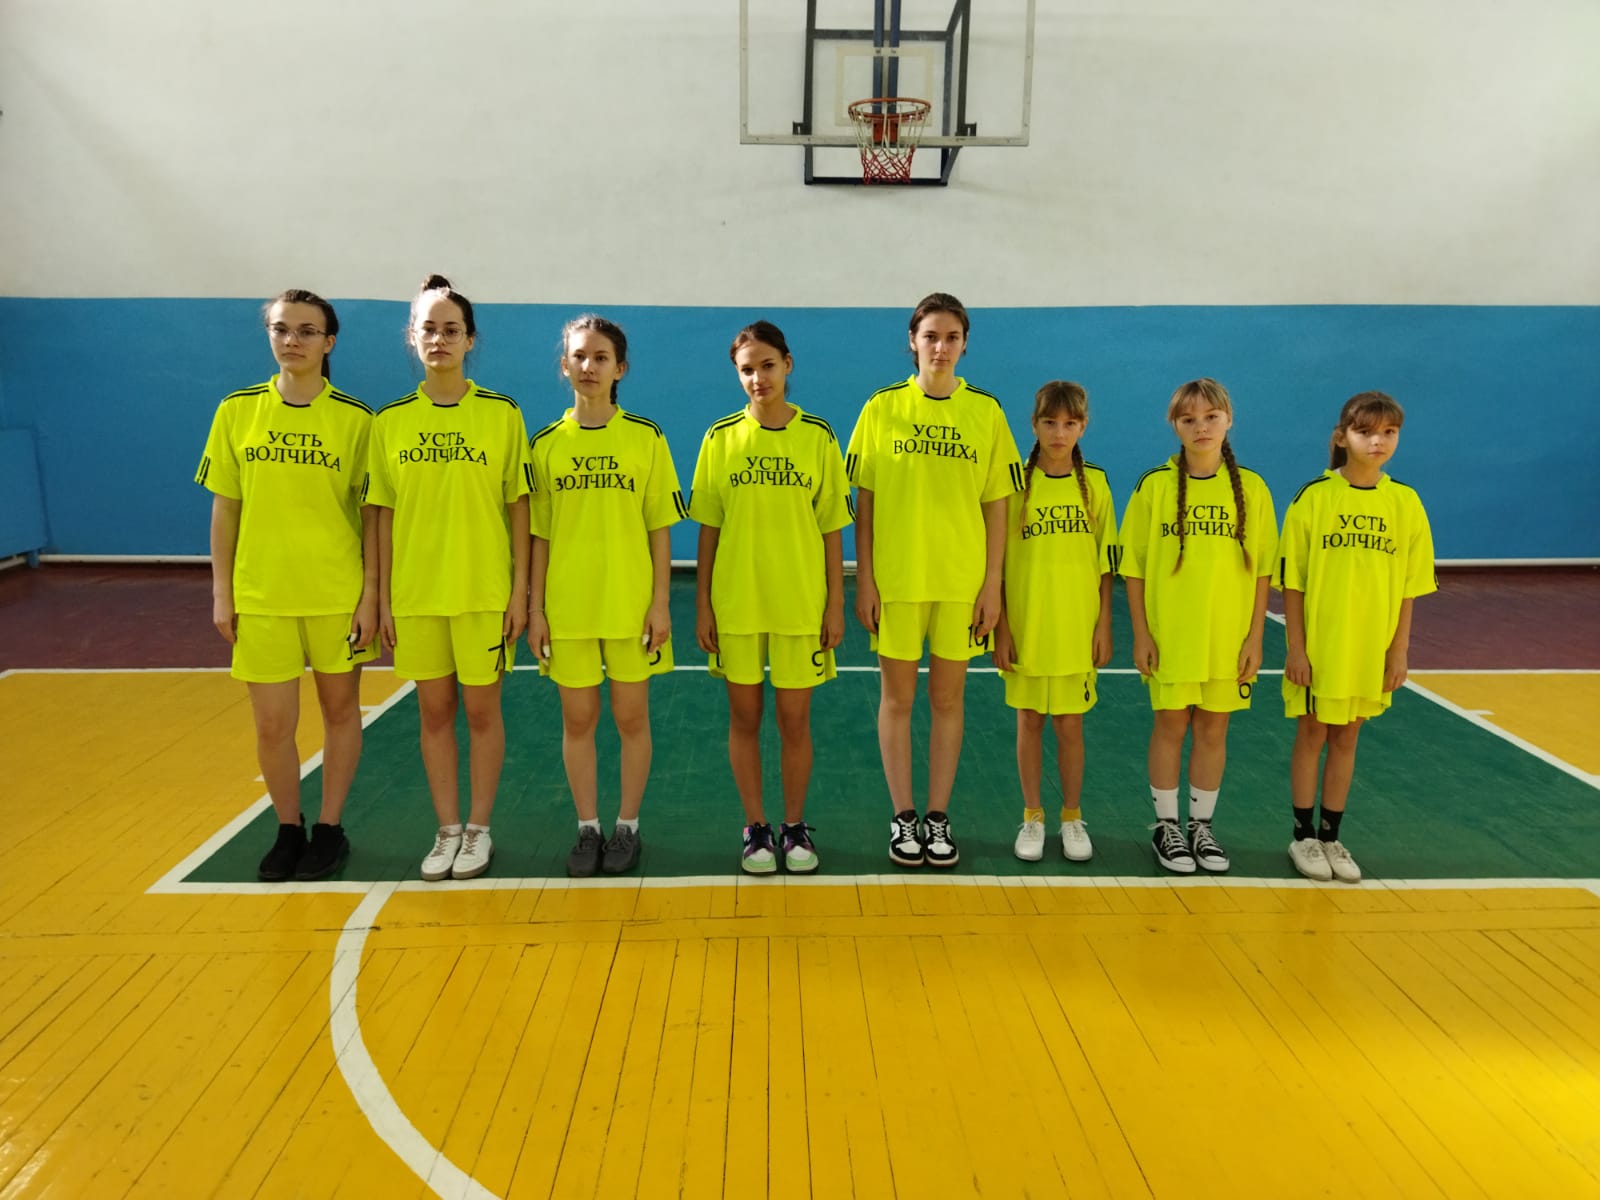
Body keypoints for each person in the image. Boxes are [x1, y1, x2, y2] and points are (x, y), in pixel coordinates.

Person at [197, 289, 376, 882]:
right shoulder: (237, 411)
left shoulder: (357, 420)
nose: (292, 340)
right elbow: (226, 508)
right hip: (262, 595)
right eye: (281, 329)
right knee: (273, 724)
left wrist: (371, 596)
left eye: (306, 330)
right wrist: (222, 591)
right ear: (269, 335)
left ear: (329, 342)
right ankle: (288, 827)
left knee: (340, 711)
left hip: (335, 593)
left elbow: (371, 515)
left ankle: (329, 827)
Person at [847, 292, 1022, 868]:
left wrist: (992, 584)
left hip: (961, 584)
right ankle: (903, 817)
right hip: (897, 581)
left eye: (951, 337)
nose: (940, 347)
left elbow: (997, 505)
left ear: (965, 344)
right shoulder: (882, 408)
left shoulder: (986, 413)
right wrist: (865, 580)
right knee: (897, 699)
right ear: (913, 342)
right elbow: (865, 504)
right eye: (930, 336)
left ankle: (938, 817)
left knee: (948, 700)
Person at [367, 275, 530, 882]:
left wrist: (519, 591)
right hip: (416, 595)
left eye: (451, 330)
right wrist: (381, 597)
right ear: (412, 337)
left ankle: (480, 828)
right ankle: (447, 830)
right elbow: (380, 515)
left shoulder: (501, 414)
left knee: (483, 714)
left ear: (470, 340)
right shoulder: (390, 421)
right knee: (433, 714)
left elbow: (519, 506)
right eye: (428, 329)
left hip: (482, 592)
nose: (439, 339)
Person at [527, 314, 684, 877]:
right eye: (579, 356)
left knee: (631, 719)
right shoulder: (546, 444)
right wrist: (536, 609)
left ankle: (628, 827)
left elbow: (659, 528)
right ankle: (588, 828)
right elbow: (540, 534)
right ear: (564, 365)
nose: (588, 366)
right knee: (578, 721)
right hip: (568, 608)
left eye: (600, 357)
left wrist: (660, 603)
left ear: (621, 368)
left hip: (629, 606)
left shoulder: (645, 437)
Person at [691, 321, 851, 874]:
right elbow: (709, 529)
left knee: (794, 719)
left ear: (787, 364)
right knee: (744, 717)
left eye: (767, 365)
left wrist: (834, 603)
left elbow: (832, 527)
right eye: (746, 369)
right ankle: (756, 828)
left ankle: (795, 827)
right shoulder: (719, 438)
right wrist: (703, 604)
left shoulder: (819, 437)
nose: (758, 378)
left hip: (799, 602)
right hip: (737, 601)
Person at [1121, 378, 1277, 874]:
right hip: (1171, 635)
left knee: (1213, 728)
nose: (1201, 427)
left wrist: (1255, 638)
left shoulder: (1252, 489)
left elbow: (1263, 571)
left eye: (1211, 417)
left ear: (1229, 420)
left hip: (1227, 636)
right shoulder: (1154, 486)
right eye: (1189, 419)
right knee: (1170, 725)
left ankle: (1202, 827)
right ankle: (1167, 827)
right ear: (1175, 426)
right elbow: (1133, 567)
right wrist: (1141, 633)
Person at [1280, 391, 1436, 883]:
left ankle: (1331, 837)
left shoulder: (1405, 503)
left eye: (1389, 432)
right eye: (1365, 431)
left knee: (1348, 737)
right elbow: (1293, 583)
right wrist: (1296, 648)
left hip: (1370, 648)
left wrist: (1399, 650)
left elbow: (1410, 587)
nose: (1377, 441)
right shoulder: (1314, 497)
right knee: (1312, 733)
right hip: (1322, 646)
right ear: (1341, 437)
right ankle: (1303, 836)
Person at [992, 382, 1118, 864]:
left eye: (1070, 424)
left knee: (1070, 725)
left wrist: (1103, 626)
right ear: (1034, 425)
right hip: (1027, 627)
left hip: (1075, 628)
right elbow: (1000, 565)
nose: (1059, 433)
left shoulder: (1097, 484)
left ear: (1083, 427)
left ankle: (1071, 817)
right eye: (1050, 423)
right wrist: (1003, 628)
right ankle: (1032, 816)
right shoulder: (1015, 487)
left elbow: (1106, 568)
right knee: (1029, 721)